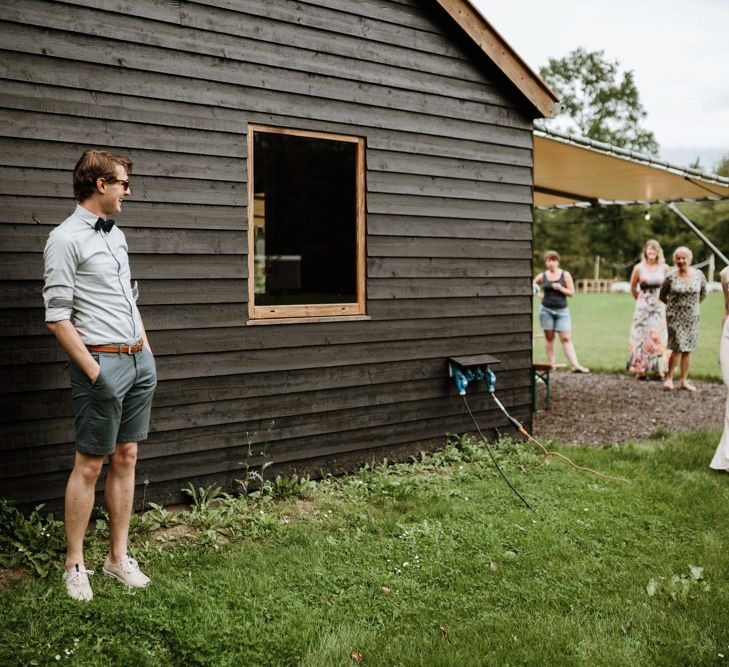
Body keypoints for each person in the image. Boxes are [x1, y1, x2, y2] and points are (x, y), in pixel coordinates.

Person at [43, 149, 157, 601]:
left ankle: (117, 558)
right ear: (100, 185)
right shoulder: (64, 239)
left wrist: (146, 354)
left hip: (136, 359)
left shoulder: (118, 236)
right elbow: (57, 316)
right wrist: (94, 371)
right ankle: (75, 565)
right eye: (124, 182)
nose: (129, 190)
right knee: (90, 464)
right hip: (100, 364)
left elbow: (129, 298)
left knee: (126, 455)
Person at [659, 246, 706, 392]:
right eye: (678, 258)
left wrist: (693, 306)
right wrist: (672, 308)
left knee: (688, 349)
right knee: (676, 347)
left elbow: (703, 293)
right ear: (675, 260)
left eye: (683, 258)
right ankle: (669, 378)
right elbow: (662, 295)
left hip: (692, 317)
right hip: (674, 317)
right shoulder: (670, 276)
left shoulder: (699, 275)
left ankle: (684, 381)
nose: (681, 261)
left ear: (689, 259)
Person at [533, 250, 590, 373]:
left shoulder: (565, 275)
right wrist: (539, 295)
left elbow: (572, 293)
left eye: (553, 260)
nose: (550, 263)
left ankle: (576, 365)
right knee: (549, 338)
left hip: (562, 311)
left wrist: (560, 288)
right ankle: (551, 365)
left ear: (557, 261)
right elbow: (533, 285)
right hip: (546, 310)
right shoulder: (543, 275)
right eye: (548, 261)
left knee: (565, 338)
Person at [627, 240, 669, 380]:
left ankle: (659, 370)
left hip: (659, 306)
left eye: (654, 249)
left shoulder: (664, 268)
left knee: (658, 336)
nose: (651, 252)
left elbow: (669, 287)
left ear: (658, 252)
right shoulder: (639, 268)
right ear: (645, 251)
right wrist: (640, 300)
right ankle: (640, 369)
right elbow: (633, 287)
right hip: (643, 307)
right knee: (640, 336)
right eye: (649, 249)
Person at [710, 265, 729, 471]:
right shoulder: (726, 274)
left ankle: (726, 458)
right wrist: (721, 347)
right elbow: (727, 309)